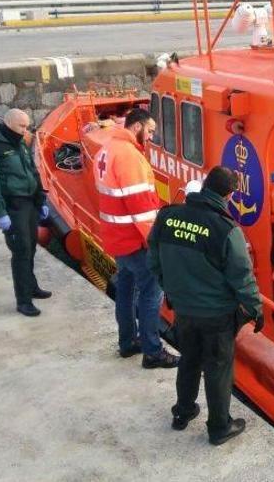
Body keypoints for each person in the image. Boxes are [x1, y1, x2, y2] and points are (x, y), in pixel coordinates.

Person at [148, 166, 263, 446]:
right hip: (217, 315)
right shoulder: (226, 230)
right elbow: (242, 277)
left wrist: (170, 289)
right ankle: (219, 427)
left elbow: (154, 258)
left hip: (183, 309)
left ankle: (183, 412)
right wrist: (257, 309)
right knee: (218, 368)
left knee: (188, 359)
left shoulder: (167, 216)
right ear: (230, 194)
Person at [95, 108, 177, 368]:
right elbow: (141, 207)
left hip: (116, 238)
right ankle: (153, 351)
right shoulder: (130, 157)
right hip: (135, 241)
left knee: (126, 291)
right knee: (151, 295)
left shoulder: (107, 149)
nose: (151, 136)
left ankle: (127, 342)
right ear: (138, 126)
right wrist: (158, 244)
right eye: (150, 131)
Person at [0, 109, 52, 317]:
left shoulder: (20, 143)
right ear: (9, 123)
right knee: (21, 251)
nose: (25, 130)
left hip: (29, 203)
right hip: (13, 205)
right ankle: (23, 300)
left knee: (32, 247)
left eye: (27, 126)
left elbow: (32, 171)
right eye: (22, 126)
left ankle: (32, 285)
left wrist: (41, 199)